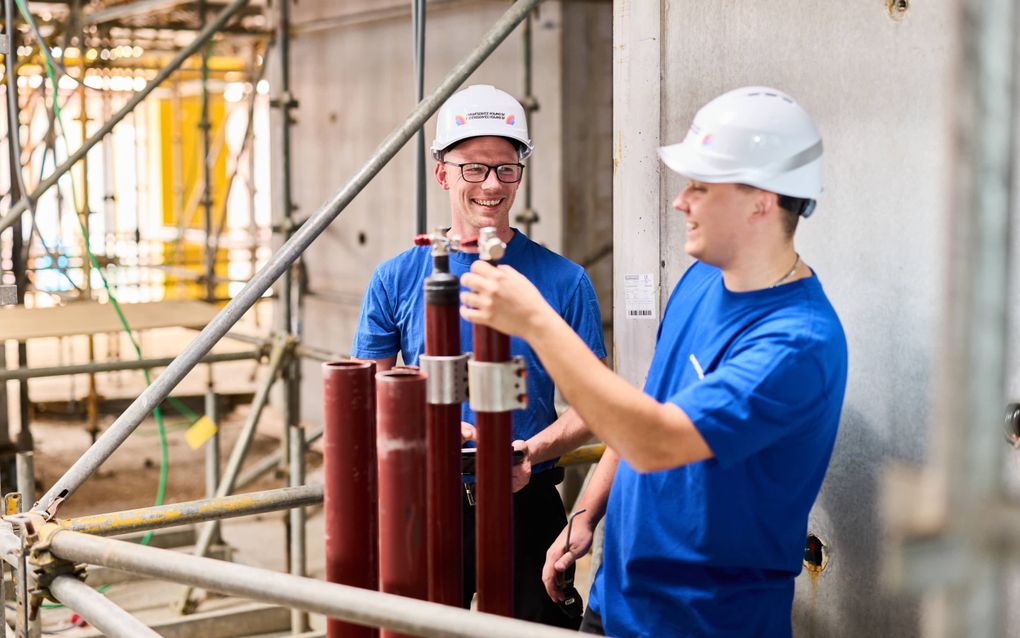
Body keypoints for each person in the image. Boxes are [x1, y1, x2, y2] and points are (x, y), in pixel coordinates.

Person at [459, 86, 849, 637]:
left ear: (761, 200)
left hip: (704, 620)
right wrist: (587, 513)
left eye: (700, 186)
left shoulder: (795, 345)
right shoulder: (706, 276)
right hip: (619, 598)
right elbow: (646, 403)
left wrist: (536, 322)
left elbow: (657, 439)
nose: (680, 201)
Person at [352, 84, 606, 628]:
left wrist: (528, 452)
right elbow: (370, 392)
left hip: (527, 500)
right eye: (474, 168)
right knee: (415, 629)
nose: (492, 185)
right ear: (443, 172)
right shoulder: (397, 278)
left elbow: (594, 405)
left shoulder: (564, 281)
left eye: (506, 168)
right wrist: (432, 427)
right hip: (424, 499)